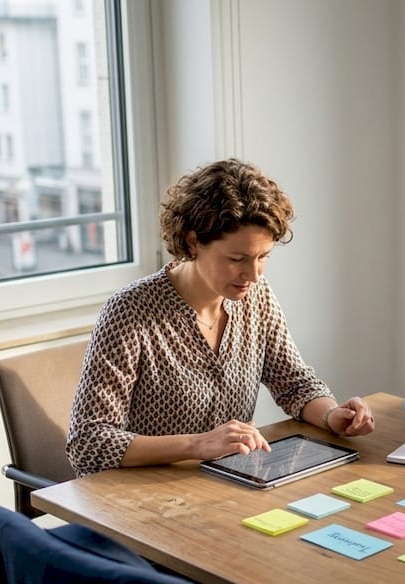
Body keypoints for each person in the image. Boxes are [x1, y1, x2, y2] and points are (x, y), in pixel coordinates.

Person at [67, 158, 375, 479]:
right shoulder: (131, 312)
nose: (253, 275)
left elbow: (294, 382)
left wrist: (331, 415)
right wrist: (198, 445)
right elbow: (88, 443)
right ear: (192, 242)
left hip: (225, 488)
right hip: (143, 497)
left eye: (263, 257)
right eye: (236, 259)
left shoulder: (257, 297)